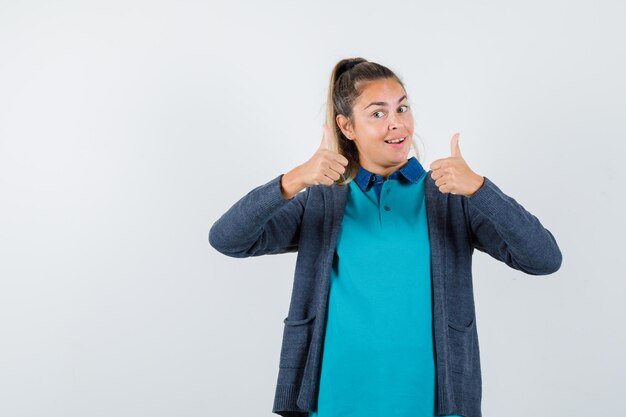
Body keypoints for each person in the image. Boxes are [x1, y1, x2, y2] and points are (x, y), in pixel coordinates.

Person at [209, 57, 563, 417]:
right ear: (346, 127)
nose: (397, 124)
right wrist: (293, 180)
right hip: (336, 400)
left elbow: (544, 258)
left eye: (402, 108)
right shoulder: (324, 200)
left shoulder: (449, 197)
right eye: (378, 113)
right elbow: (228, 238)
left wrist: (480, 189)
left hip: (432, 405)